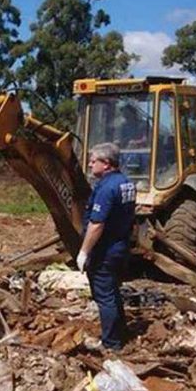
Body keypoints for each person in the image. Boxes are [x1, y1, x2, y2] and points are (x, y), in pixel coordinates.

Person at [76, 143, 136, 352]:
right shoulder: (126, 183)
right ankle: (121, 332)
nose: (90, 164)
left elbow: (97, 224)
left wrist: (84, 252)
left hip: (105, 250)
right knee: (112, 291)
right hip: (121, 246)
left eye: (94, 161)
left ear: (107, 164)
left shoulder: (106, 188)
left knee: (104, 295)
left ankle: (111, 343)